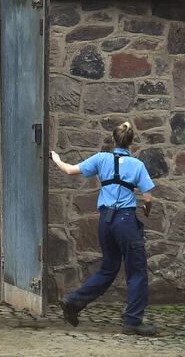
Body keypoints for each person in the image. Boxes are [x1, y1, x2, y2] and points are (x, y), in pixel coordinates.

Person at [50, 121, 157, 336]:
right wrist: (146, 208)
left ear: (114, 139)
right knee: (136, 271)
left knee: (108, 268)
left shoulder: (101, 159)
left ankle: (73, 303)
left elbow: (71, 170)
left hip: (105, 221)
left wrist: (57, 158)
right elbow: (148, 197)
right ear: (130, 142)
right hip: (126, 221)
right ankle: (133, 321)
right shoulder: (137, 165)